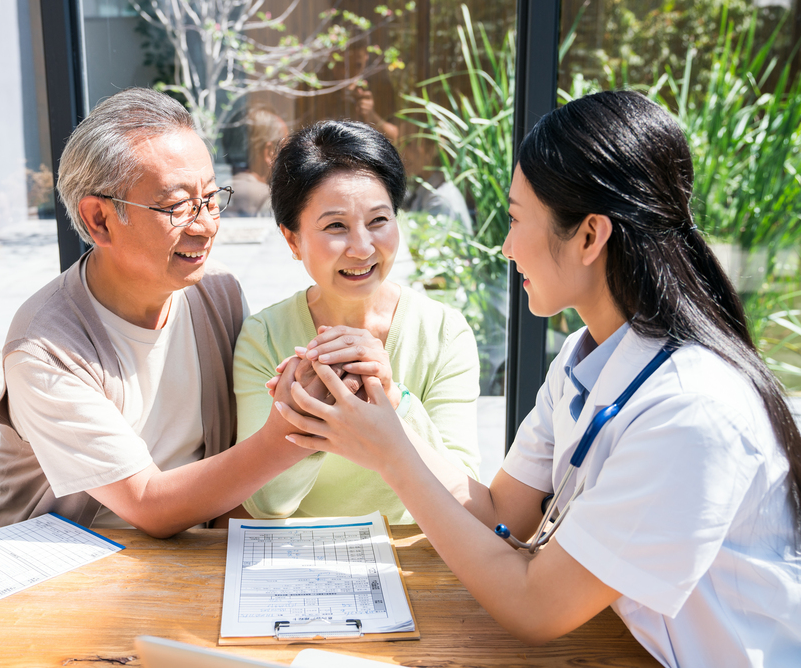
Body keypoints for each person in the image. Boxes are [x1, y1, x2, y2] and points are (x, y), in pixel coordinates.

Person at [274, 91, 801, 666]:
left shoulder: (692, 410)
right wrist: (386, 416)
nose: (506, 247)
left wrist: (391, 455)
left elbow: (535, 607)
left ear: (589, 236)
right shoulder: (584, 354)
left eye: (517, 219)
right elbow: (501, 513)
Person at [0, 88, 322, 537]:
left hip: (182, 554)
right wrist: (291, 432)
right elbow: (147, 503)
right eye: (177, 205)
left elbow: (232, 471)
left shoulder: (217, 294)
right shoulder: (45, 348)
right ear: (99, 220)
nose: (205, 225)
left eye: (211, 197)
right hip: (56, 570)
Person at [231, 120, 481, 524]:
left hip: (417, 554)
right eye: (335, 226)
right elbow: (266, 505)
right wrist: (305, 417)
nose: (362, 248)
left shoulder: (443, 334)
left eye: (379, 220)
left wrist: (392, 401)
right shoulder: (264, 337)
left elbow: (464, 491)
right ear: (292, 240)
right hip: (303, 557)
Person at [221, 105, 288, 217]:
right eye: (286, 149)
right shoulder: (271, 201)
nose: (289, 158)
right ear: (270, 152)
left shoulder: (214, 194)